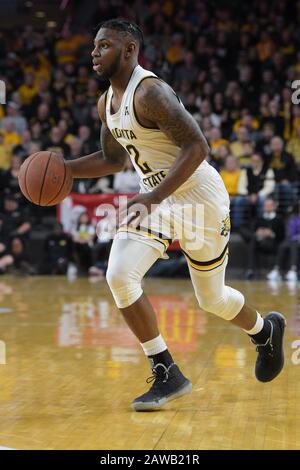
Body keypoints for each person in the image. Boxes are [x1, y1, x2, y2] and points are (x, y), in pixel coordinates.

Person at [66, 19, 286, 411]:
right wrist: (64, 169)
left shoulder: (151, 92)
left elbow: (198, 147)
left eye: (104, 46)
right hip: (158, 197)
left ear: (129, 49)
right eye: (94, 46)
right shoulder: (106, 103)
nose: (94, 53)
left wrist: (151, 197)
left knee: (212, 299)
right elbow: (112, 159)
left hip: (198, 195)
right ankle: (167, 370)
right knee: (118, 273)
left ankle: (265, 331)